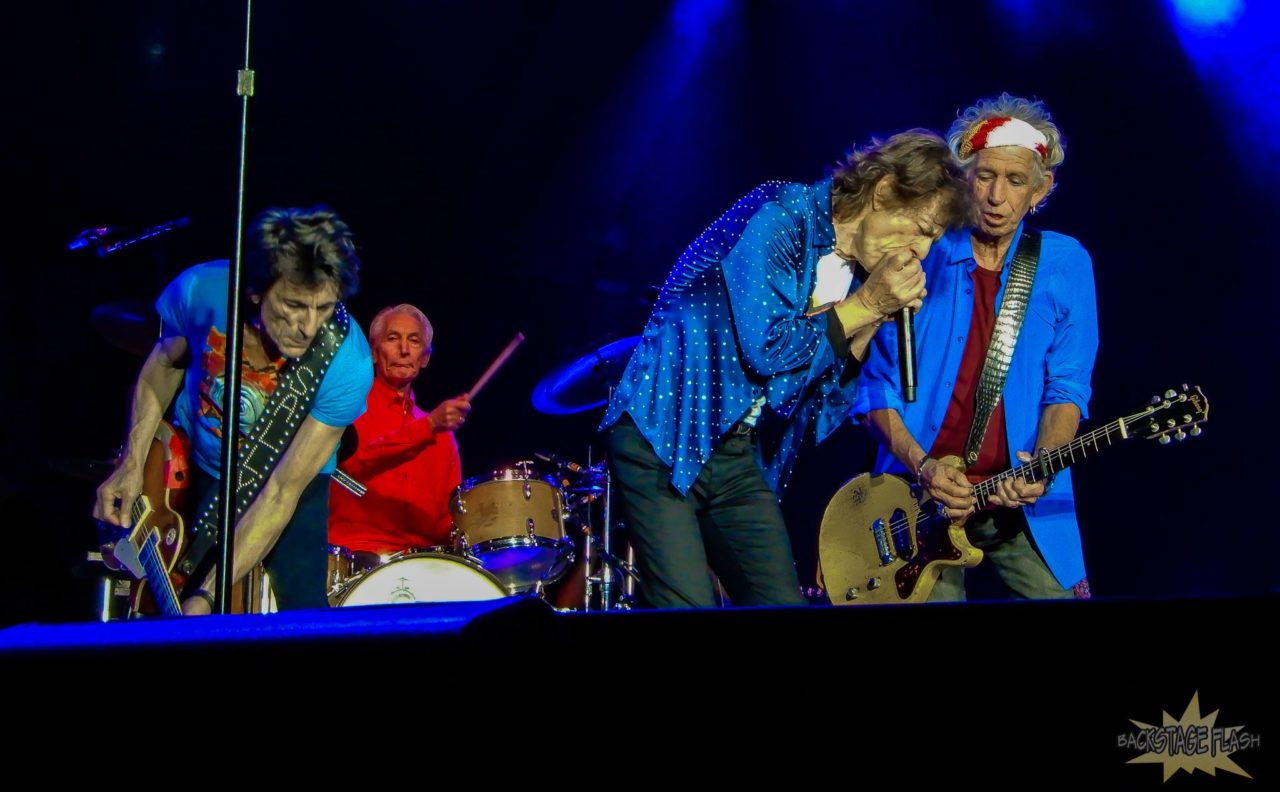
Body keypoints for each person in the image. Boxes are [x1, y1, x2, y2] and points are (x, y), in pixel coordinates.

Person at [600, 130, 969, 608]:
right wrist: (868, 304)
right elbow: (767, 349)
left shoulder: (854, 280)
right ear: (883, 192)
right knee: (686, 612)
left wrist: (875, 316)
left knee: (783, 610)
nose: (920, 251)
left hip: (735, 455)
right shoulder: (781, 214)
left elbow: (821, 408)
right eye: (921, 229)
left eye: (932, 240)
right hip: (663, 430)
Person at [856, 94, 1098, 601]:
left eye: (1014, 181)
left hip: (1023, 504)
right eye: (985, 176)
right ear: (963, 178)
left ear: (1041, 188)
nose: (996, 196)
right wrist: (923, 465)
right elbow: (875, 388)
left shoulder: (1064, 262)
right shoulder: (925, 249)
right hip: (919, 504)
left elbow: (1068, 385)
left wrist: (1045, 464)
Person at [94, 207, 374, 613]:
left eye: (325, 308)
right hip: (201, 466)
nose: (308, 327)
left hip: (291, 482)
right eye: (294, 305)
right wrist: (132, 462)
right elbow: (162, 365)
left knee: (303, 614)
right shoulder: (199, 291)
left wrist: (207, 597)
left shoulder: (348, 363)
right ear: (256, 290)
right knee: (160, 601)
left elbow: (280, 493)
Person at [328, 304, 471, 565]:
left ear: (425, 358)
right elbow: (352, 465)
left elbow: (446, 521)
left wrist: (487, 521)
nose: (404, 350)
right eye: (393, 338)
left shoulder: (442, 435)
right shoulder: (348, 406)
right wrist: (427, 427)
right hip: (356, 557)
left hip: (422, 563)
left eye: (413, 341)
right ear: (373, 351)